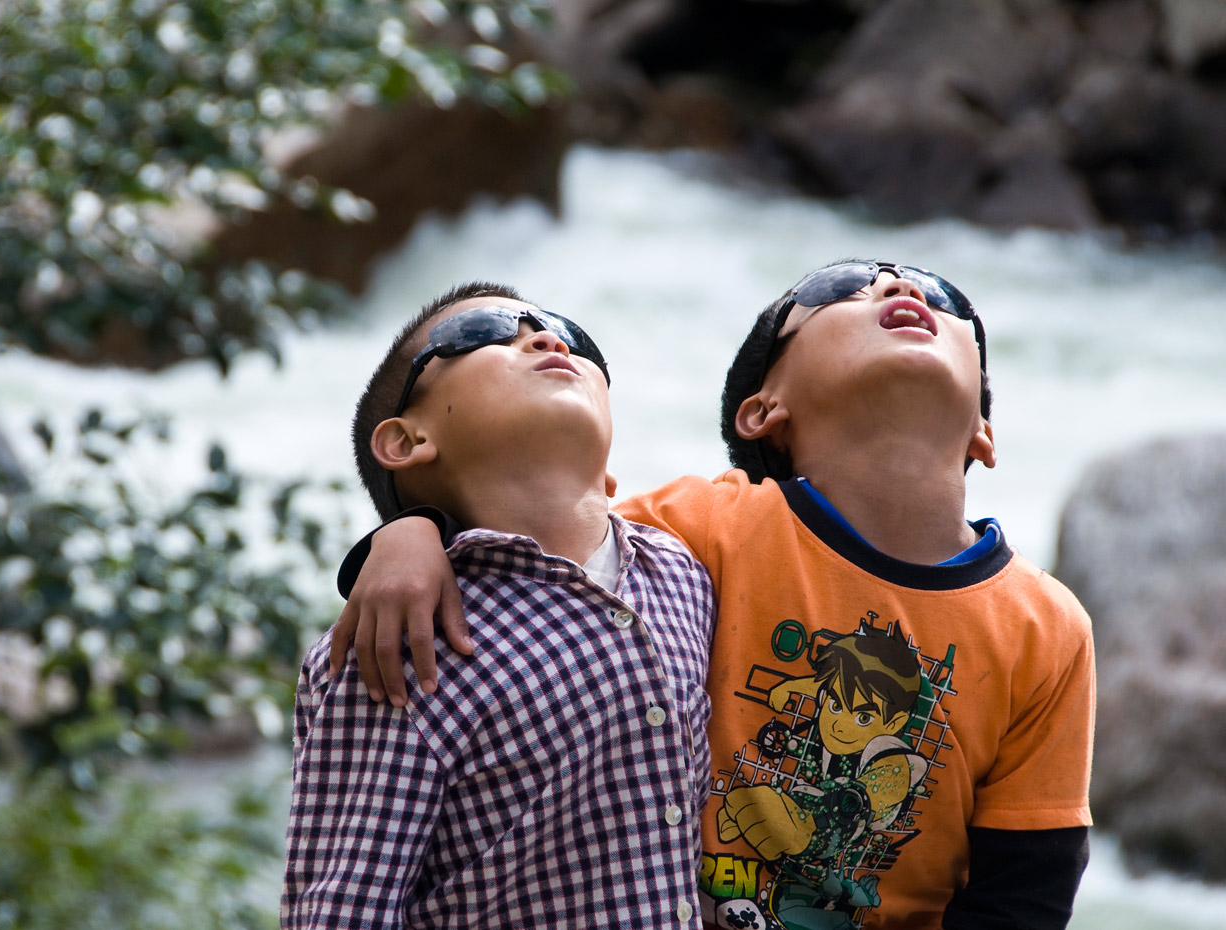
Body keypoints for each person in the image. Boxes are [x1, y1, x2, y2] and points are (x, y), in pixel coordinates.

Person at [330, 262, 1096, 930]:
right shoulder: (703, 528)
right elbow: (533, 542)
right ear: (763, 409)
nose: (898, 287)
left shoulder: (1046, 627)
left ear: (984, 433)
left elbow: (1023, 893)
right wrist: (408, 533)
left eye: (943, 295)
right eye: (840, 289)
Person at [281, 282, 717, 929]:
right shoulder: (404, 635)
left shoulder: (682, 570)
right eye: (484, 332)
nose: (548, 338)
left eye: (572, 334)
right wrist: (406, 533)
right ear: (405, 441)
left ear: (609, 475)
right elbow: (344, 908)